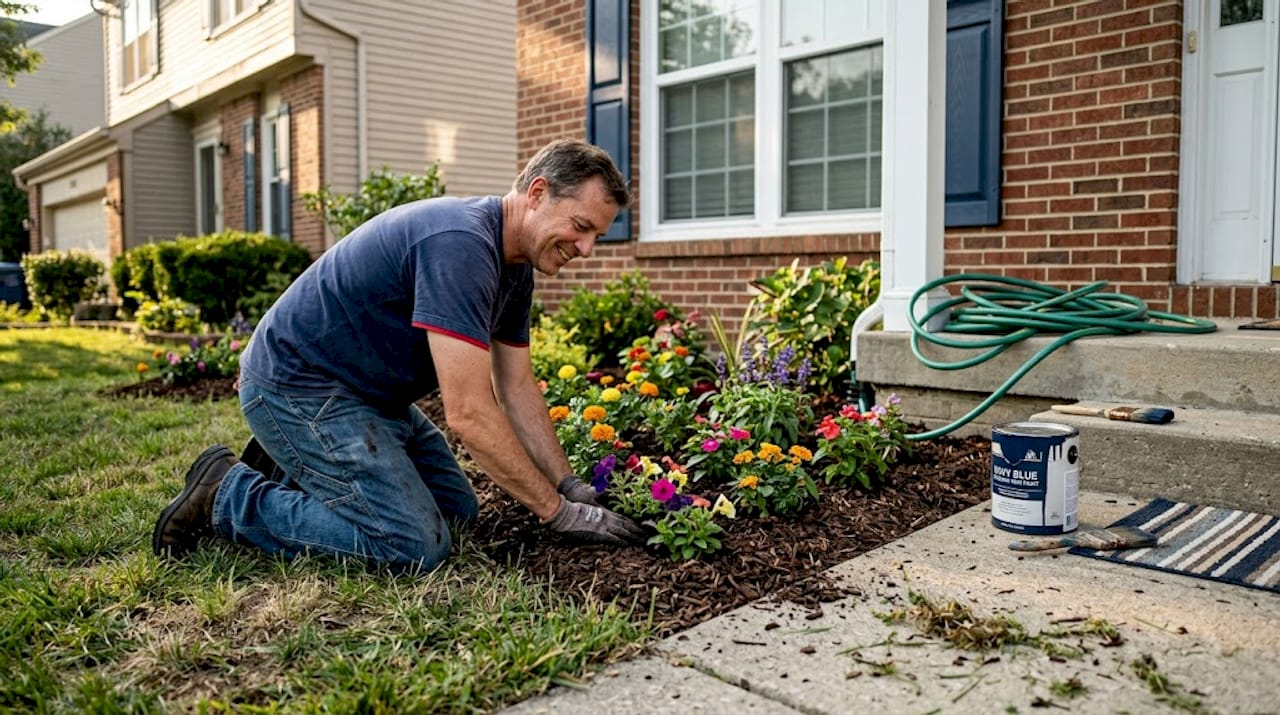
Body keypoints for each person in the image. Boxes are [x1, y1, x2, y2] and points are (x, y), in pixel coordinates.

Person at [152, 138, 647, 571]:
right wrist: (558, 514)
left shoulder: (514, 270)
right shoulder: (462, 246)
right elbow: (470, 413)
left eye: (596, 236)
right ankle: (228, 495)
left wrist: (569, 486)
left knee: (456, 513)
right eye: (581, 226)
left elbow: (516, 388)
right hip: (300, 387)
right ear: (537, 193)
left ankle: (298, 468)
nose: (585, 248)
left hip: (368, 399)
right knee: (411, 545)